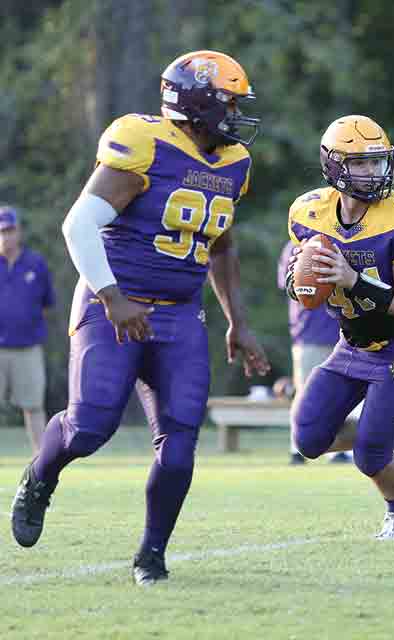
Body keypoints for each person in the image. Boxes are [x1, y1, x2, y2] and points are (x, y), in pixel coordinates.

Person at [10, 51, 271, 585]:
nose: (238, 114)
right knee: (90, 427)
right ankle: (40, 476)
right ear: (197, 104)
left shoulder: (233, 162)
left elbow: (220, 246)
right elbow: (78, 224)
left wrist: (237, 321)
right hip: (116, 308)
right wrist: (112, 297)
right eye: (230, 103)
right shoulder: (145, 144)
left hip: (179, 317)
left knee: (179, 444)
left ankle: (151, 554)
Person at [284, 115, 394, 539]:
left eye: (378, 162)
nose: (374, 173)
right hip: (352, 345)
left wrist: (354, 279)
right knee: (309, 437)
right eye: (361, 163)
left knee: (371, 453)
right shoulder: (307, 211)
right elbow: (301, 282)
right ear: (335, 166)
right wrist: (300, 282)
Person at [276, 239, 345, 465]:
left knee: (341, 394)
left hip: (344, 330)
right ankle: (296, 447)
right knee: (304, 392)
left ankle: (339, 449)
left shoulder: (343, 240)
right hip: (310, 332)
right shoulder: (295, 245)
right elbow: (291, 286)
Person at [0, 206, 55, 452]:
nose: (5, 236)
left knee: (33, 406)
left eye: (10, 230)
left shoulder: (35, 263)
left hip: (28, 348)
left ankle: (41, 466)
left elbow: (47, 304)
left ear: (19, 231)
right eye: (1, 231)